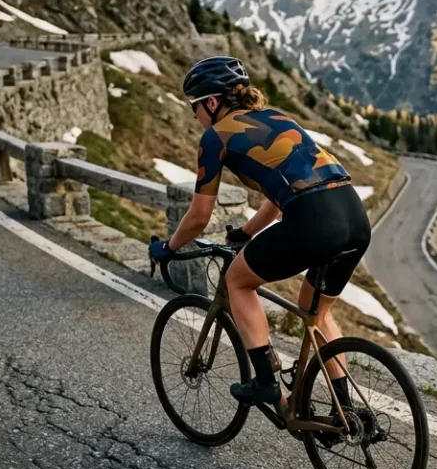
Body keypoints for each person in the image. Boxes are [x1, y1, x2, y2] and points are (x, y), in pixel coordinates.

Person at [148, 56, 370, 416]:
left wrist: (167, 249)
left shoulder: (214, 137)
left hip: (314, 220)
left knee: (237, 281)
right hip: (354, 216)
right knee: (317, 312)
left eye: (195, 107)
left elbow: (199, 217)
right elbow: (280, 193)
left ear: (213, 102)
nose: (195, 116)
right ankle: (345, 410)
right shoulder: (278, 118)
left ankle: (266, 381)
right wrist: (247, 231)